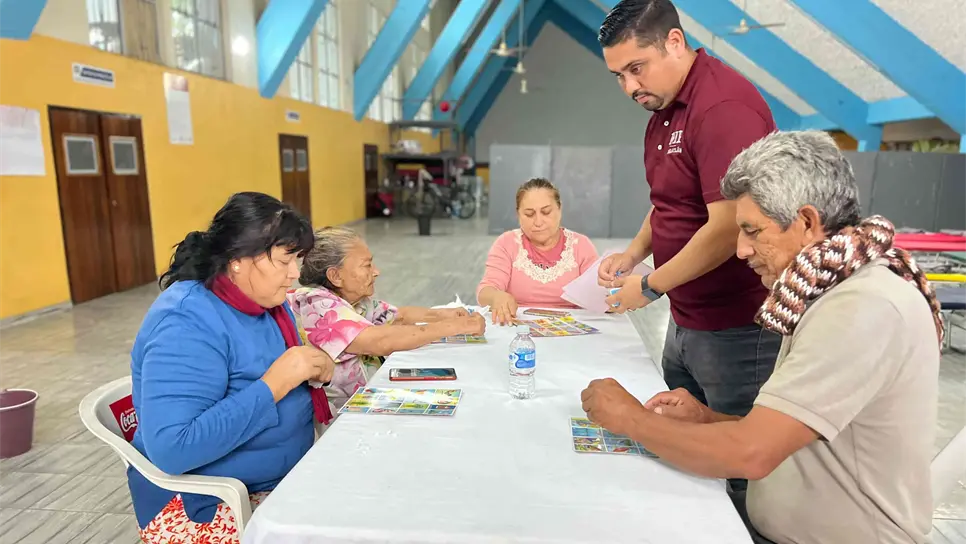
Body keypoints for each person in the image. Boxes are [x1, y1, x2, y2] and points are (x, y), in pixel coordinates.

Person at [581, 131, 942, 544]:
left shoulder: (861, 306)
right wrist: (709, 419)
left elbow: (751, 453)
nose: (741, 250)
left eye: (753, 231)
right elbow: (801, 437)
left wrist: (630, 420)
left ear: (806, 222)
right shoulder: (831, 289)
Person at [596, 0, 781, 423]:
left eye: (636, 68)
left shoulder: (722, 108)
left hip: (737, 328)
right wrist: (633, 256)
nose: (629, 87)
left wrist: (648, 286)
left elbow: (727, 226)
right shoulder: (664, 107)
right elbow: (671, 201)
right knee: (683, 448)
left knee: (733, 464)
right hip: (685, 320)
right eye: (619, 76)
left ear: (674, 42)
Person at [130, 192, 335, 543]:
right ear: (238, 259)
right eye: (286, 260)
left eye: (298, 259)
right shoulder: (186, 322)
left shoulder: (264, 301)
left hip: (281, 476)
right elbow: (172, 449)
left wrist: (312, 366)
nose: (296, 274)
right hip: (205, 503)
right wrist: (276, 383)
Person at [290, 226, 486, 402]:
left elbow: (398, 316)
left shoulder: (353, 299)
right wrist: (454, 327)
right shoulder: (317, 305)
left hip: (366, 394)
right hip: (339, 414)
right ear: (335, 276)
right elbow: (379, 341)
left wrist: (445, 315)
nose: (376, 272)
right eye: (367, 265)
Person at [477, 178, 600, 324]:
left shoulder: (581, 246)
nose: (538, 222)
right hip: (518, 330)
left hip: (571, 330)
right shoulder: (506, 244)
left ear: (559, 210)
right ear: (518, 215)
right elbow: (485, 291)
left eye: (546, 212)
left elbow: (600, 295)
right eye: (529, 214)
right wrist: (496, 297)